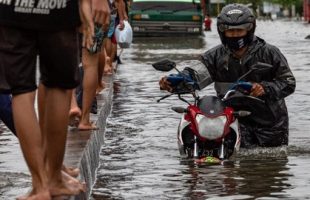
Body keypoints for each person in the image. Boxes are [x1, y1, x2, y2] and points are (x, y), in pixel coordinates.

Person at [159, 3, 296, 148]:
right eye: (230, 31)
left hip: (271, 123)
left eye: (239, 30)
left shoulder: (270, 53)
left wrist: (264, 88)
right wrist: (174, 82)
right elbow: (195, 75)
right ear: (222, 31)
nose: (235, 35)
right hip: (232, 119)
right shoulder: (214, 56)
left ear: (249, 29)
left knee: (270, 165)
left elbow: (288, 83)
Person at [0, 0, 95, 199]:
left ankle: (39, 186)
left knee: (21, 92)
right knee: (58, 87)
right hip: (58, 8)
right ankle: (54, 180)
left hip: (12, 8)